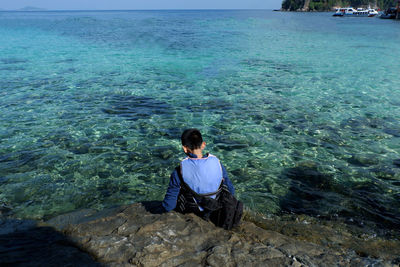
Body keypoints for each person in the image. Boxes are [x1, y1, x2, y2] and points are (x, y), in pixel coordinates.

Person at [162, 128, 235, 214]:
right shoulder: (218, 163)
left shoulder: (179, 170)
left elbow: (169, 205)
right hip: (216, 207)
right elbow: (231, 190)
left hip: (194, 210)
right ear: (203, 144)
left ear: (185, 148)